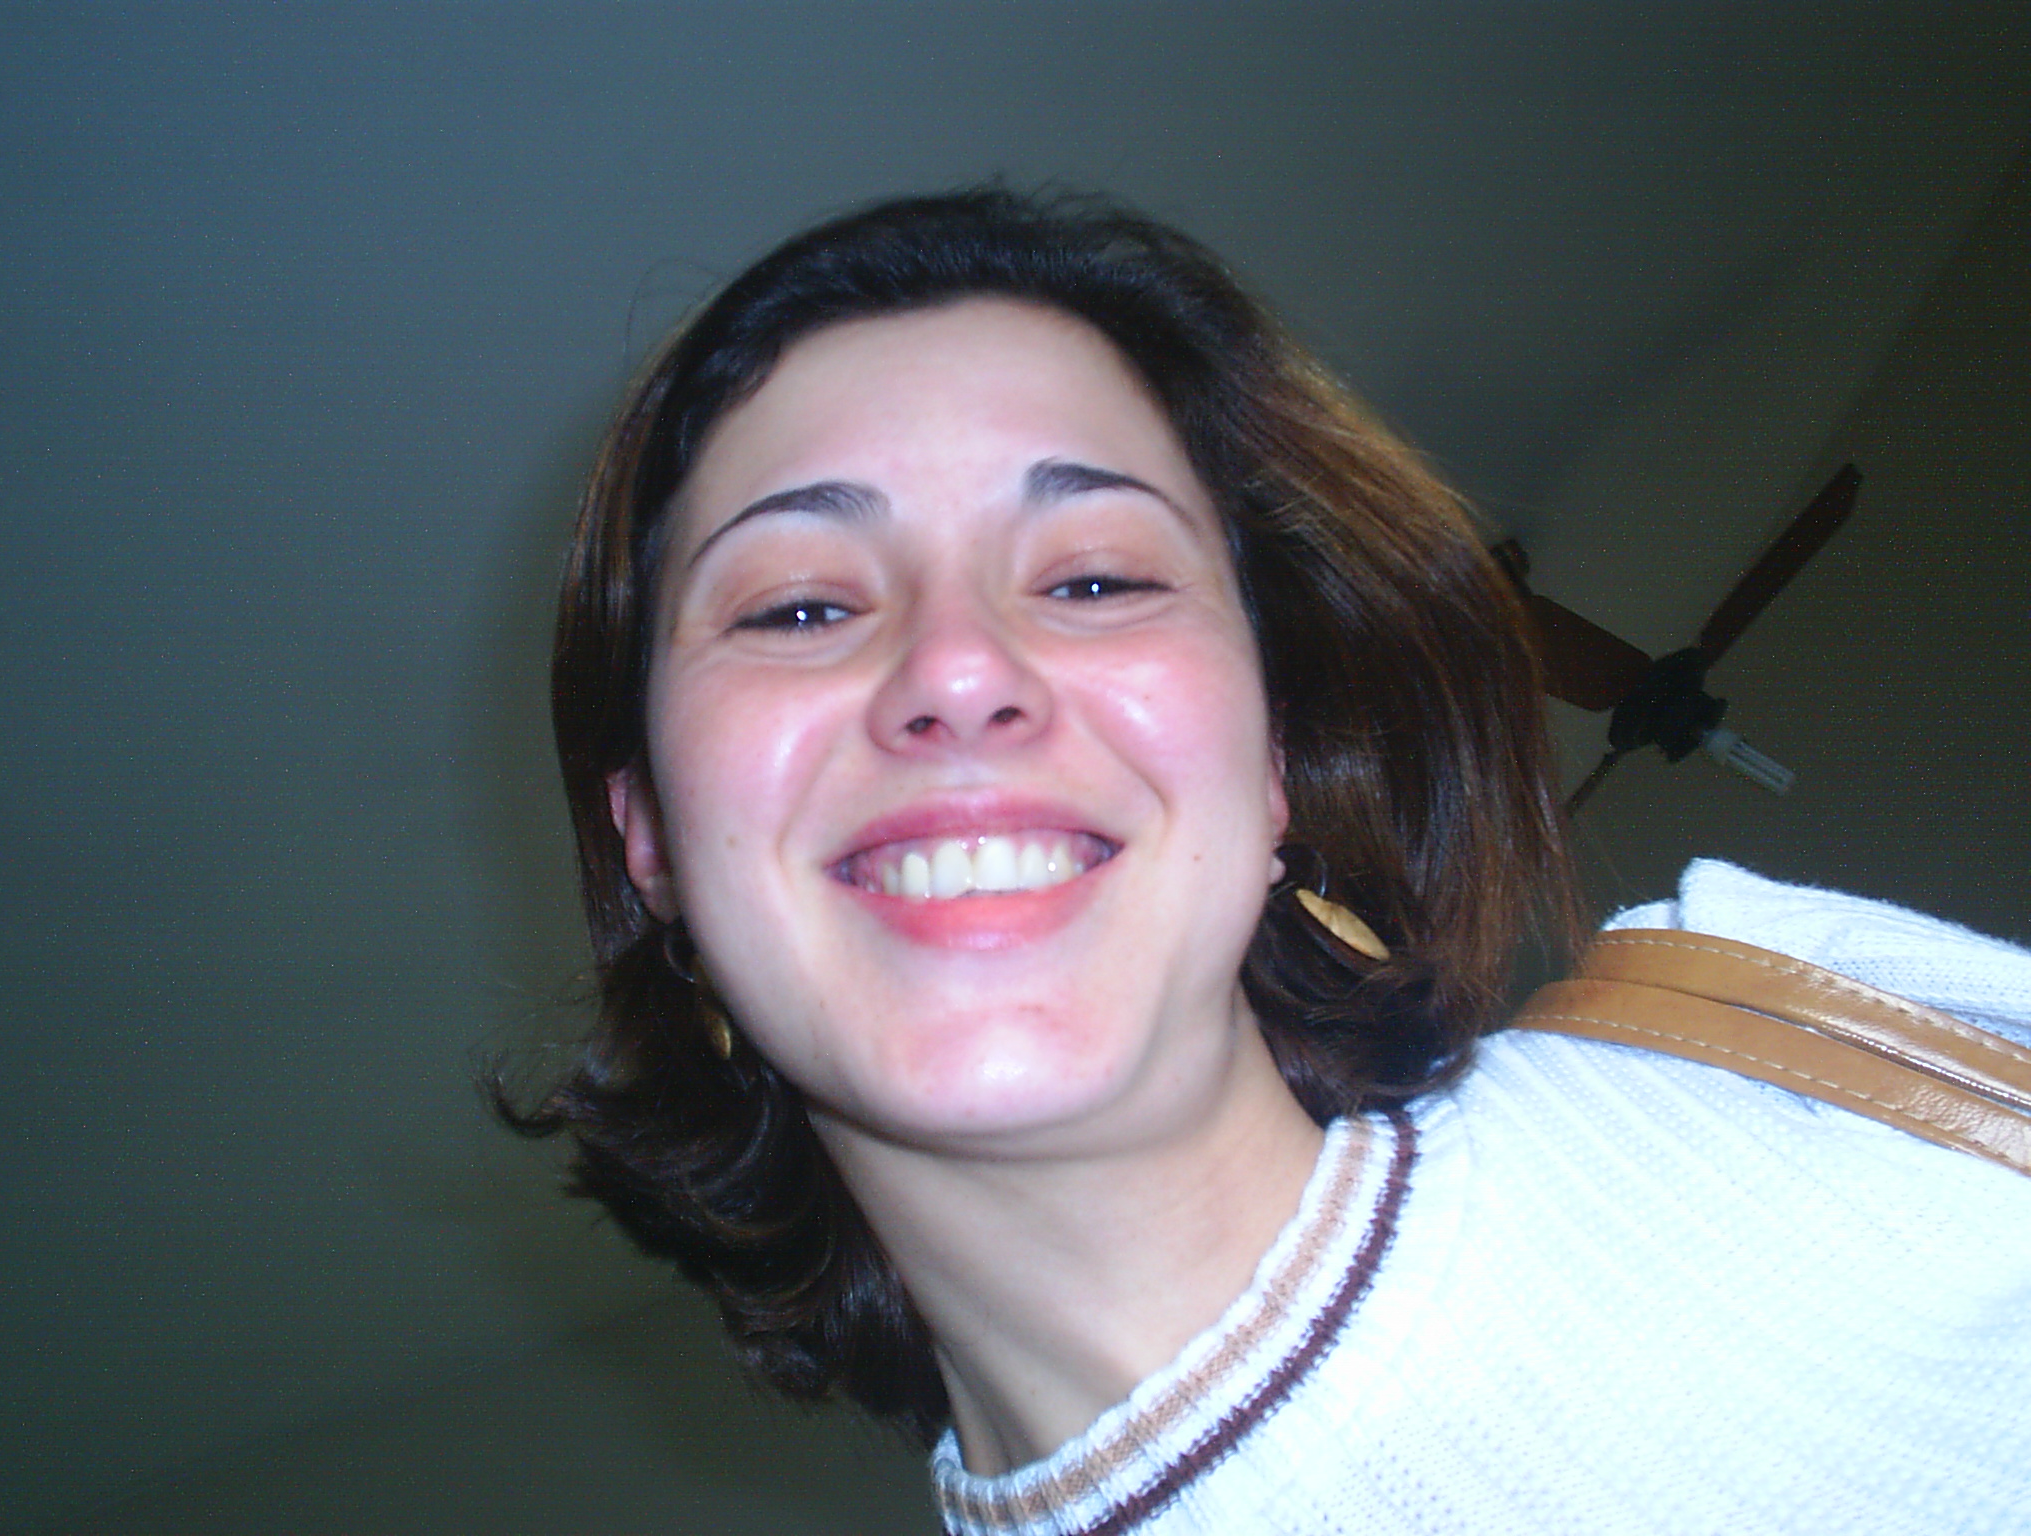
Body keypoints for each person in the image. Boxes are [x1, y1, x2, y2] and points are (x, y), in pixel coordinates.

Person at [507, 189, 2031, 1534]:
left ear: (1273, 765)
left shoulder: (1792, 1047)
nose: (959, 671)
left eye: (1097, 579)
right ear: (652, 844)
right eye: (798, 608)